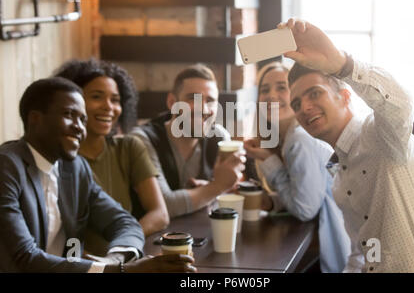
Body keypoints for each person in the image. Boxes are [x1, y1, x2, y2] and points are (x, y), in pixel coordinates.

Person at [282, 18, 414, 272]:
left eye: (315, 93)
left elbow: (400, 103)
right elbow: (364, 250)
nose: (304, 108)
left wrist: (342, 64)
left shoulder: (379, 135)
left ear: (345, 96)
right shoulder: (339, 181)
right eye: (296, 104)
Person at [0, 77, 195, 272]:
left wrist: (114, 260)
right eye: (69, 114)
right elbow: (25, 258)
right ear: (35, 119)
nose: (79, 127)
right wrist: (123, 271)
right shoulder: (7, 166)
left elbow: (126, 223)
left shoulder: (75, 168)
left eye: (82, 119)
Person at [53, 59, 169, 255]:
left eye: (115, 100)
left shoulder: (129, 147)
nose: (109, 107)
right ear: (72, 102)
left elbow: (160, 214)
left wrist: (122, 246)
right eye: (97, 97)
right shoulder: (57, 159)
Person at [244, 61, 350, 273]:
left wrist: (269, 162)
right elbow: (310, 192)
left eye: (281, 87)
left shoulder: (300, 139)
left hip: (338, 256)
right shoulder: (291, 137)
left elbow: (305, 209)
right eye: (264, 90)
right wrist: (272, 202)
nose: (271, 95)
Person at [131, 64, 246, 218]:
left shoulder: (219, 137)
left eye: (210, 100)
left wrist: (217, 188)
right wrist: (216, 186)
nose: (204, 109)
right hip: (151, 240)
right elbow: (164, 206)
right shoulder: (142, 140)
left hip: (202, 237)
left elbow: (227, 196)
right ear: (172, 102)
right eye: (193, 98)